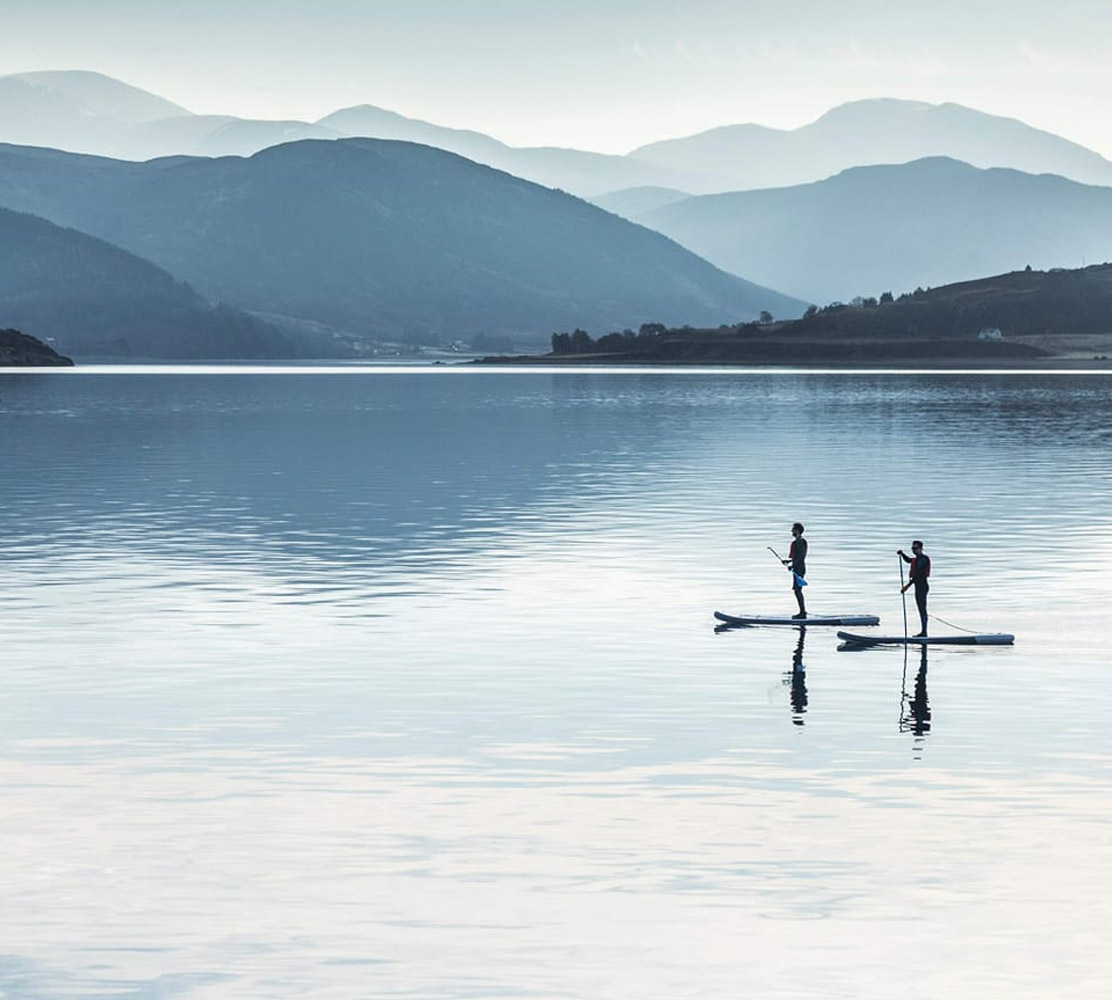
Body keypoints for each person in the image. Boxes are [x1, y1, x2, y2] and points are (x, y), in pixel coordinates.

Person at [898, 540, 931, 636]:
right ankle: (923, 631)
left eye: (915, 548)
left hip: (922, 586)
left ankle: (924, 632)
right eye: (912, 548)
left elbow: (917, 576)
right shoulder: (917, 559)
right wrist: (902, 554)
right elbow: (909, 560)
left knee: (922, 609)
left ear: (921, 548)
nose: (913, 550)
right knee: (921, 609)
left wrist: (906, 587)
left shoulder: (923, 559)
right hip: (918, 586)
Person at [782, 522, 807, 618]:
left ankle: (802, 612)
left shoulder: (800, 542)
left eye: (793, 529)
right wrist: (789, 562)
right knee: (797, 590)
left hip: (799, 568)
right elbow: (796, 557)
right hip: (798, 567)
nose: (791, 531)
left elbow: (800, 557)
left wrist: (793, 566)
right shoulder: (799, 541)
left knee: (797, 590)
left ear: (797, 530)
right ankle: (802, 612)